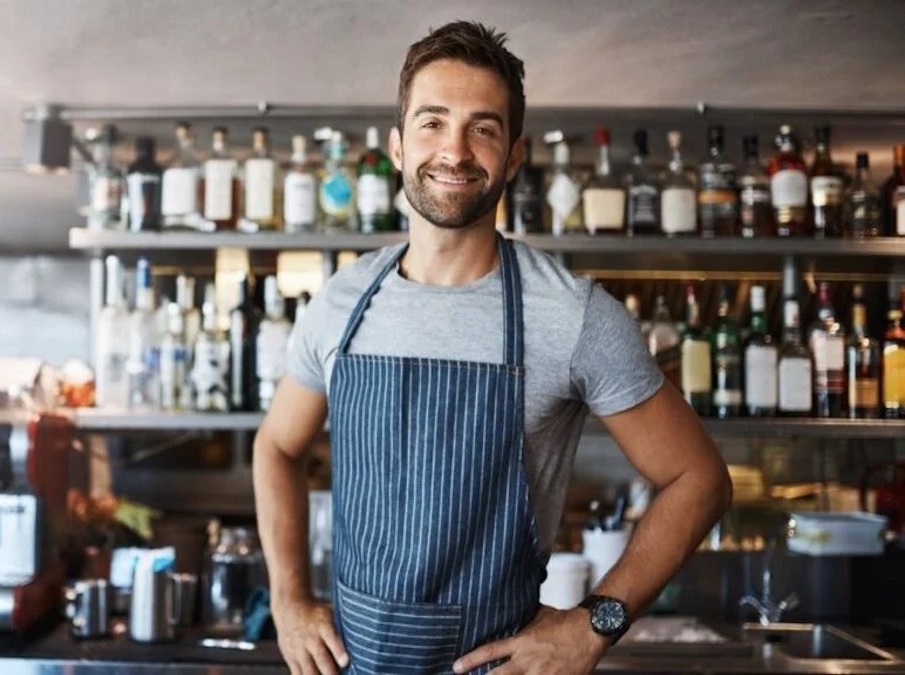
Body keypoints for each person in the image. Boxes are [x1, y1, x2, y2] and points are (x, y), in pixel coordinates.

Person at [252, 20, 732, 675]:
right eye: (432, 122)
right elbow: (276, 445)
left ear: (512, 156)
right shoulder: (340, 302)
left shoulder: (573, 315)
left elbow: (699, 479)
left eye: (482, 127)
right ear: (396, 146)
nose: (454, 150)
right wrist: (288, 596)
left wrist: (597, 623)